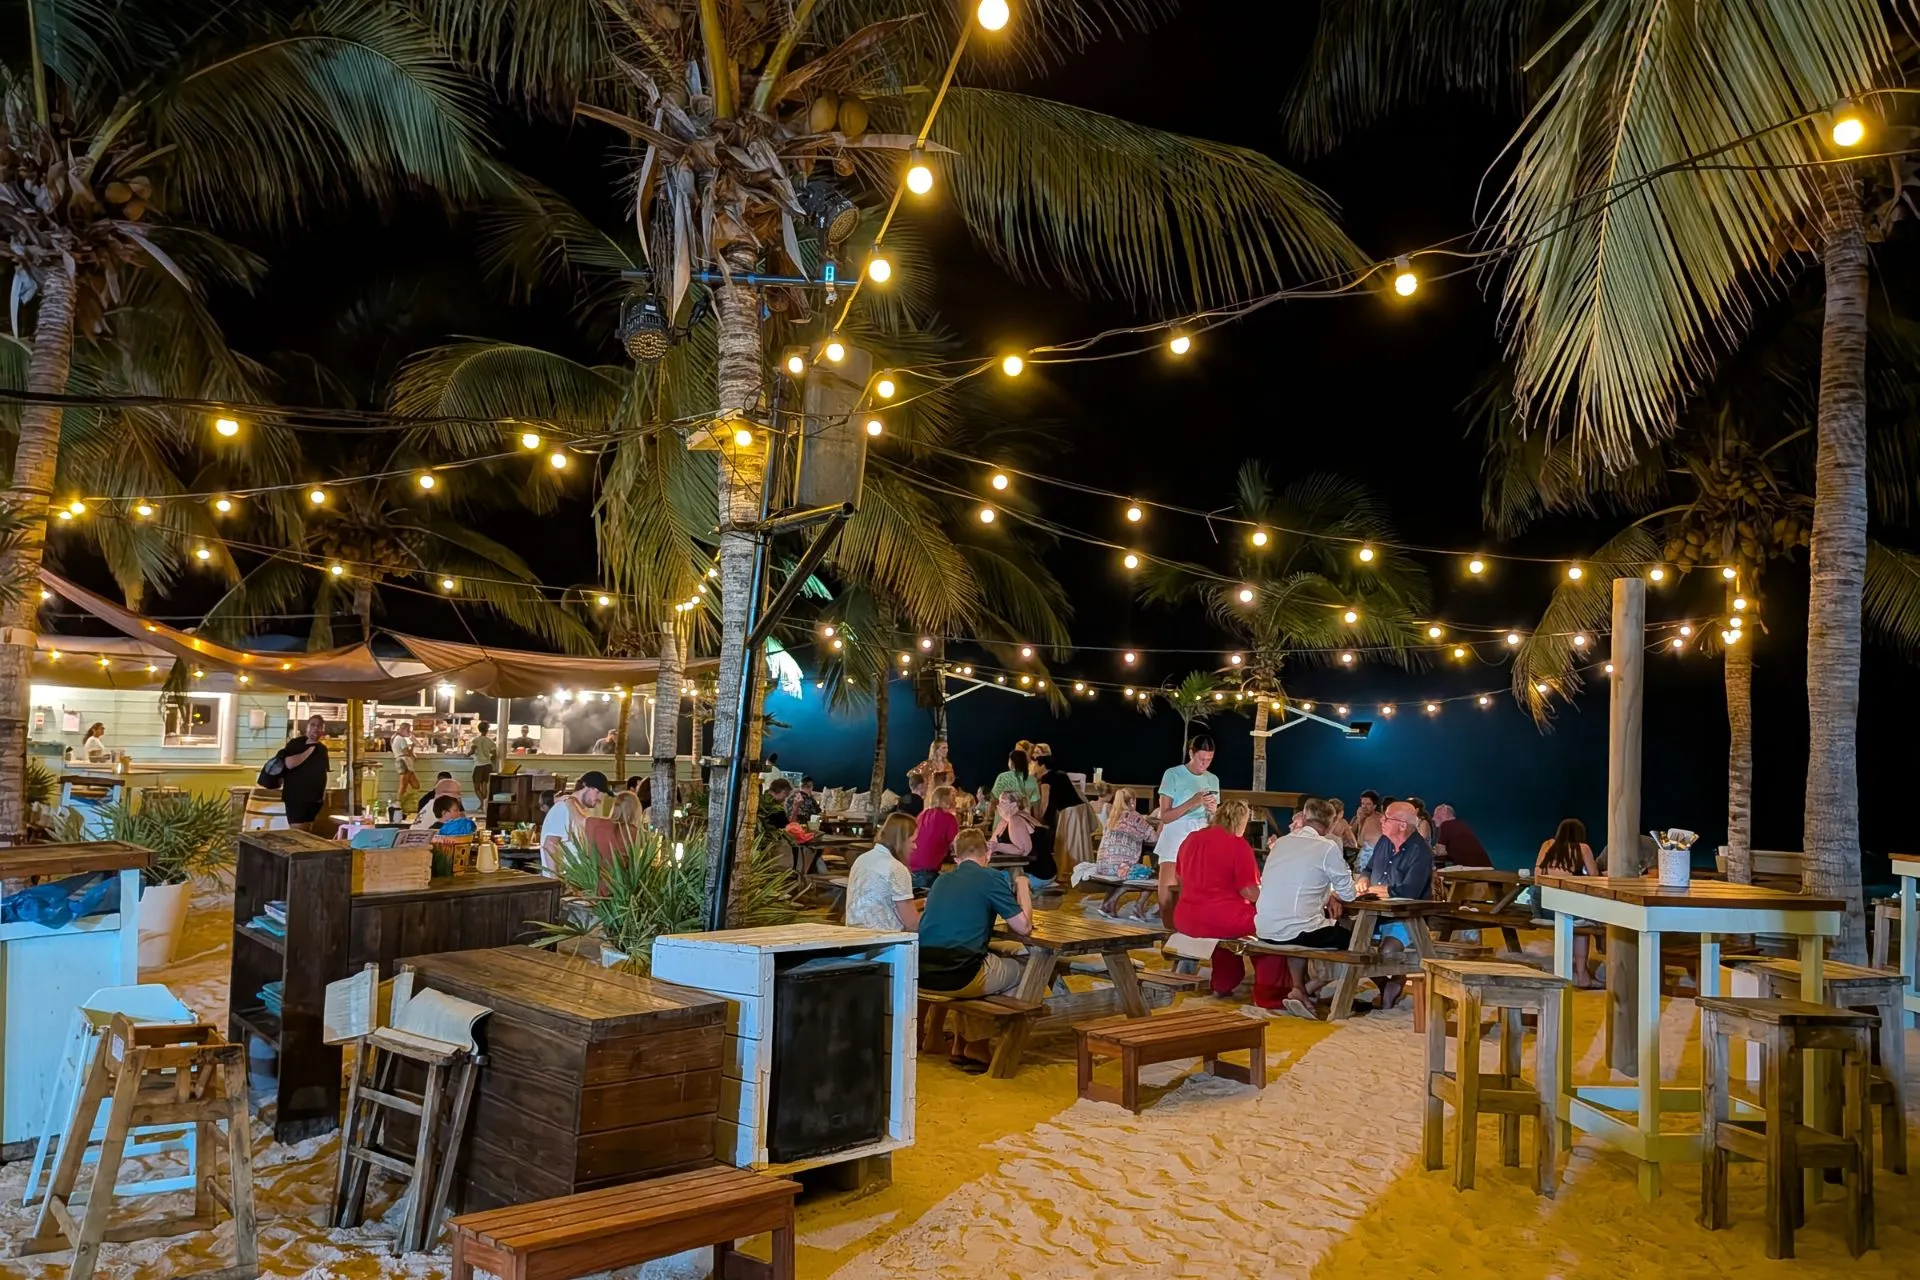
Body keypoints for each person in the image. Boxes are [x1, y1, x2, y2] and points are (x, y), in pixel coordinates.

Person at [1251, 798, 1358, 1014]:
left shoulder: (1281, 843)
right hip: (1296, 931)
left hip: (1265, 928)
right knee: (1355, 940)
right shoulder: (1326, 847)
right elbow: (1349, 894)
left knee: (1301, 927)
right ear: (1331, 824)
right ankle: (1312, 987)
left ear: (1305, 816)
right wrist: (1333, 893)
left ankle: (1299, 989)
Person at [917, 828, 1033, 1004]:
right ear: (988, 853)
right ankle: (999, 1022)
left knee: (996, 962)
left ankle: (976, 1019)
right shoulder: (990, 877)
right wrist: (1022, 885)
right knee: (1028, 970)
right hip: (962, 977)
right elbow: (1024, 927)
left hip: (922, 975)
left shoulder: (940, 880)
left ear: (957, 859)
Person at [1171, 800, 1260, 996]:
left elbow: (1179, 878)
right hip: (1224, 920)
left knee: (1222, 932)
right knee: (1266, 927)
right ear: (1241, 821)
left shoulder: (1191, 839)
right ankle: (1266, 988)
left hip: (1186, 917)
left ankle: (1212, 977)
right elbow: (1249, 892)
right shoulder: (1238, 845)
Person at [1359, 800, 1434, 1008]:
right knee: (1355, 947)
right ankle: (1386, 985)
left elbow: (1408, 892)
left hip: (1407, 918)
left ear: (1402, 825)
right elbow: (1368, 869)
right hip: (1375, 914)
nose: (1381, 821)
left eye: (1387, 818)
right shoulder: (1384, 842)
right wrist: (1363, 880)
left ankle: (1397, 981)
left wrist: (1374, 890)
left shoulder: (1420, 851)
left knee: (1388, 953)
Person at [1154, 734, 1220, 924]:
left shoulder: (1213, 779)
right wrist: (1193, 802)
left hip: (1200, 831)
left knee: (1195, 885)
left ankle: (1191, 927)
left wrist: (1213, 811)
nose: (1204, 764)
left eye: (1209, 760)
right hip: (1176, 831)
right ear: (1192, 753)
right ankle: (1168, 927)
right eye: (1201, 759)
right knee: (1168, 885)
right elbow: (1165, 816)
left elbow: (1213, 818)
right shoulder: (1173, 774)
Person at [1537, 817, 1600, 987]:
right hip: (1570, 909)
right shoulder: (1583, 848)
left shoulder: (1547, 845)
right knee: (1581, 927)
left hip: (1544, 908)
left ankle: (1564, 971)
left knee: (1572, 923)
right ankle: (1582, 974)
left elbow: (1537, 874)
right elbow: (1594, 877)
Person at [847, 812, 922, 931]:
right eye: (913, 841)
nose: (915, 847)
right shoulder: (896, 868)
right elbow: (912, 923)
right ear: (900, 840)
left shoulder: (862, 859)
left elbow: (885, 904)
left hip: (853, 932)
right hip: (885, 937)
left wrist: (923, 902)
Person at [540, 770, 608, 875]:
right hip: (564, 879)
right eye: (597, 792)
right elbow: (550, 844)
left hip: (578, 878)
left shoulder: (579, 810)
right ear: (585, 787)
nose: (600, 798)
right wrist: (555, 880)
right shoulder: (563, 808)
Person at [1031, 752, 1084, 881]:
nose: (1034, 767)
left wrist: (1040, 818)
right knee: (1076, 842)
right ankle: (1078, 870)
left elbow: (1045, 801)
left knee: (1065, 842)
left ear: (1042, 765)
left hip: (1068, 811)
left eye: (1035, 764)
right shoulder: (1061, 774)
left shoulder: (1046, 779)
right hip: (1079, 809)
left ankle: (1065, 872)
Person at [273, 714, 332, 829]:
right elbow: (289, 764)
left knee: (307, 831)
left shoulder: (322, 749)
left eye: (319, 726)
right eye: (313, 725)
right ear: (307, 727)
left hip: (314, 800)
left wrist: (321, 796)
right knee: (298, 832)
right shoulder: (296, 743)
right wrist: (309, 749)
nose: (316, 728)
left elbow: (322, 772)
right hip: (296, 798)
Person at [1090, 787, 1153, 880]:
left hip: (1102, 867)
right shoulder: (1135, 817)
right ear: (1132, 800)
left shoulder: (1112, 818)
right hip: (1120, 869)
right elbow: (1154, 838)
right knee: (1149, 872)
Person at [909, 785, 960, 891]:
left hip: (910, 869)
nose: (956, 802)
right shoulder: (949, 818)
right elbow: (957, 845)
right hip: (927, 872)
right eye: (954, 798)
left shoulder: (923, 814)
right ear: (947, 800)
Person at [985, 790, 1037, 868]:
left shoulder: (1016, 819)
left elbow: (1022, 850)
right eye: (999, 802)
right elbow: (991, 843)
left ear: (1013, 805)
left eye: (1003, 802)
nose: (998, 806)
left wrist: (998, 847)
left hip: (1030, 870)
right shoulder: (1004, 822)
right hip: (1010, 867)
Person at [1432, 803, 1491, 867]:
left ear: (1444, 813)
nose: (1433, 818)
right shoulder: (1461, 824)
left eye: (1435, 814)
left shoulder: (1446, 824)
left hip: (1471, 868)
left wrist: (1430, 851)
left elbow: (1440, 852)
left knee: (1437, 871)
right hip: (1486, 866)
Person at [990, 749, 1039, 814]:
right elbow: (1035, 804)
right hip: (1024, 817)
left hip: (1004, 817)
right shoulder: (1032, 780)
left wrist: (988, 815)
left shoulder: (1003, 777)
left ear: (1011, 762)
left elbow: (993, 800)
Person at [468, 721, 497, 807]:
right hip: (488, 765)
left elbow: (472, 751)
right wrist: (489, 758)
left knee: (477, 788)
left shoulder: (475, 740)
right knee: (484, 786)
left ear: (479, 729)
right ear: (487, 730)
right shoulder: (490, 741)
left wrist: (468, 754)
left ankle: (483, 803)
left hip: (479, 765)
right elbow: (494, 754)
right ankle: (484, 805)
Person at [393, 726, 420, 801]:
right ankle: (399, 803)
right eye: (408, 730)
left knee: (415, 785)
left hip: (404, 762)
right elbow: (406, 752)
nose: (409, 732)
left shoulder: (396, 738)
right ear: (403, 730)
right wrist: (412, 747)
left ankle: (408, 802)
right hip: (404, 762)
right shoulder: (401, 739)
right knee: (403, 786)